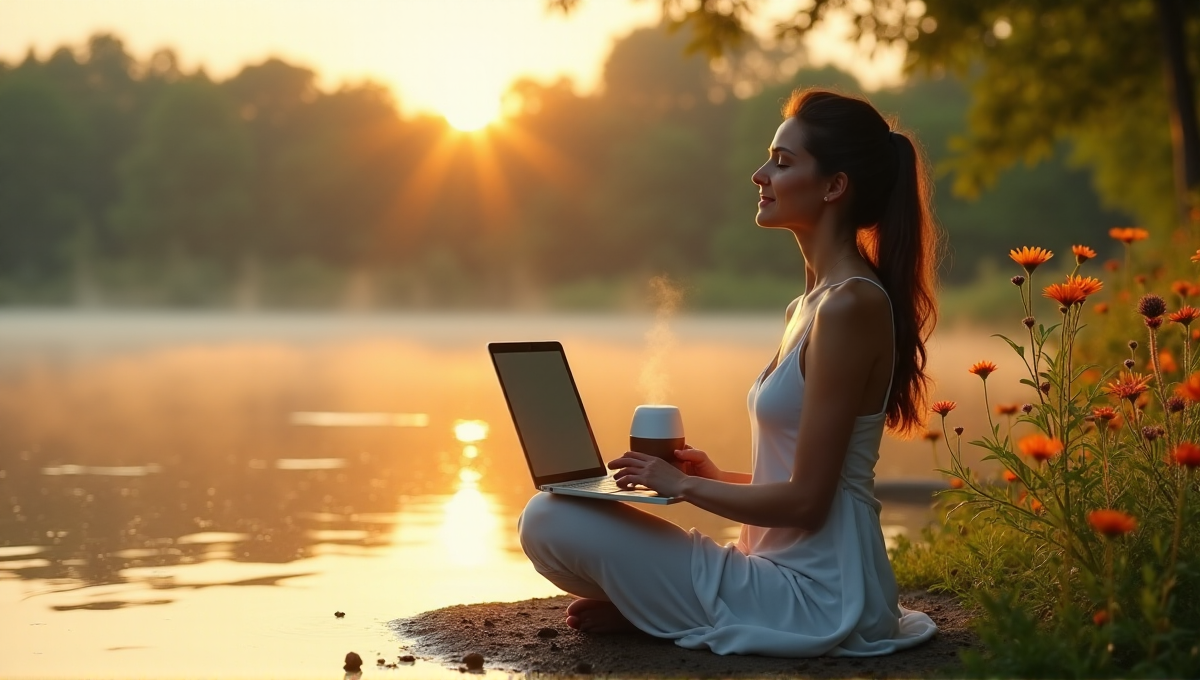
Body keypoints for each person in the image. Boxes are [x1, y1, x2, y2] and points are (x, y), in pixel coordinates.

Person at [517, 88, 940, 657]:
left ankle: (659, 607)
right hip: (776, 569)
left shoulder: (850, 306)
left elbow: (810, 503)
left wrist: (685, 486)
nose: (760, 174)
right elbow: (807, 481)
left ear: (835, 186)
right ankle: (656, 606)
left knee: (547, 519)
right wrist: (715, 474)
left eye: (783, 163)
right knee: (558, 508)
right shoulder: (808, 306)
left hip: (817, 595)